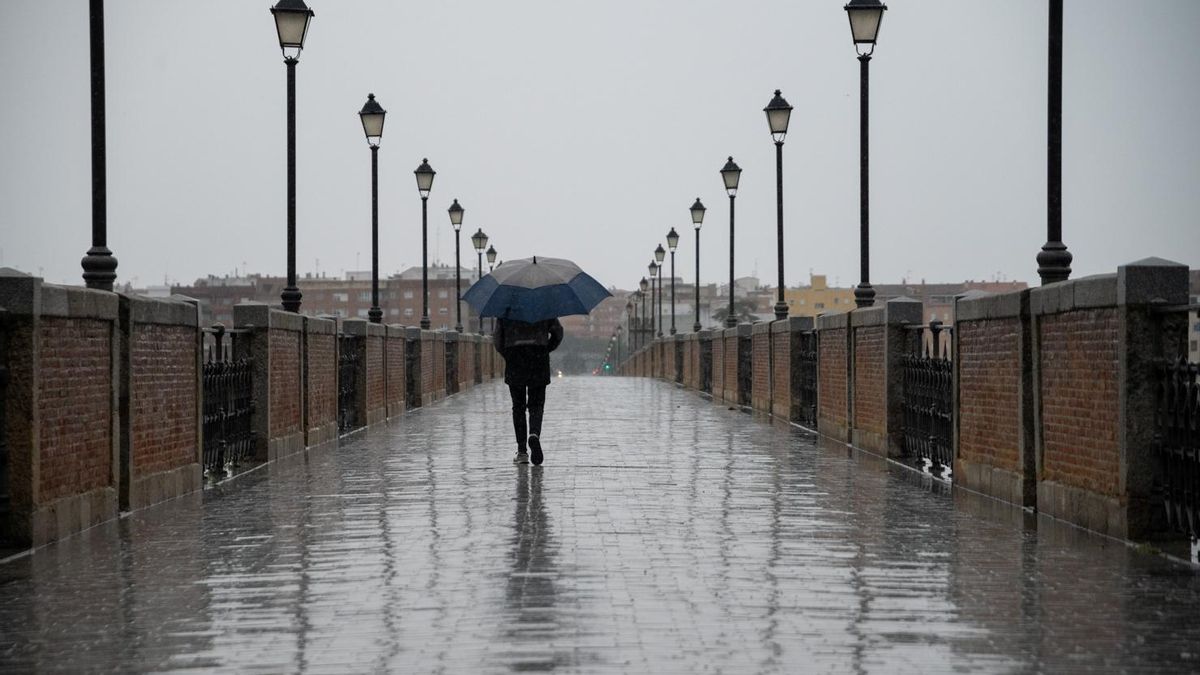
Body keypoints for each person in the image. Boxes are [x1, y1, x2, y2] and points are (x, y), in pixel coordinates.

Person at [493, 316, 563, 465]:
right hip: (538, 357)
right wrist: (545, 348)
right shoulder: (544, 306)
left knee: (518, 406)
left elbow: (498, 339)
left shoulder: (506, 308)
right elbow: (558, 333)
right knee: (536, 404)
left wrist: (509, 354)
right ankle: (534, 434)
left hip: (515, 357)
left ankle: (522, 451)